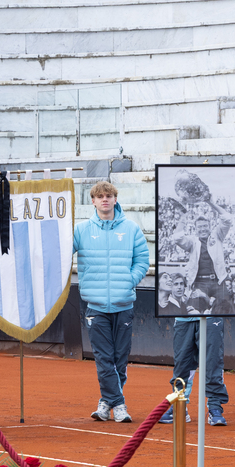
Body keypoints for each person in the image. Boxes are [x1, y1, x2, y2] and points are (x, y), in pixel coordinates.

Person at [73, 180, 149, 423]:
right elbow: (63, 252)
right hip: (95, 306)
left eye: (109, 195)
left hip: (123, 303)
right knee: (104, 358)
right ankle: (119, 405)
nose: (104, 199)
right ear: (93, 201)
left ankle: (106, 402)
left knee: (119, 359)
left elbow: (142, 261)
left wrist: (130, 280)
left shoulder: (131, 229)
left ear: (115, 199)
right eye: (100, 196)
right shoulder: (81, 229)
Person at [160, 317, 229, 426]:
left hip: (211, 316)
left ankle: (215, 406)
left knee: (213, 362)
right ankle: (180, 405)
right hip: (183, 318)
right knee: (182, 364)